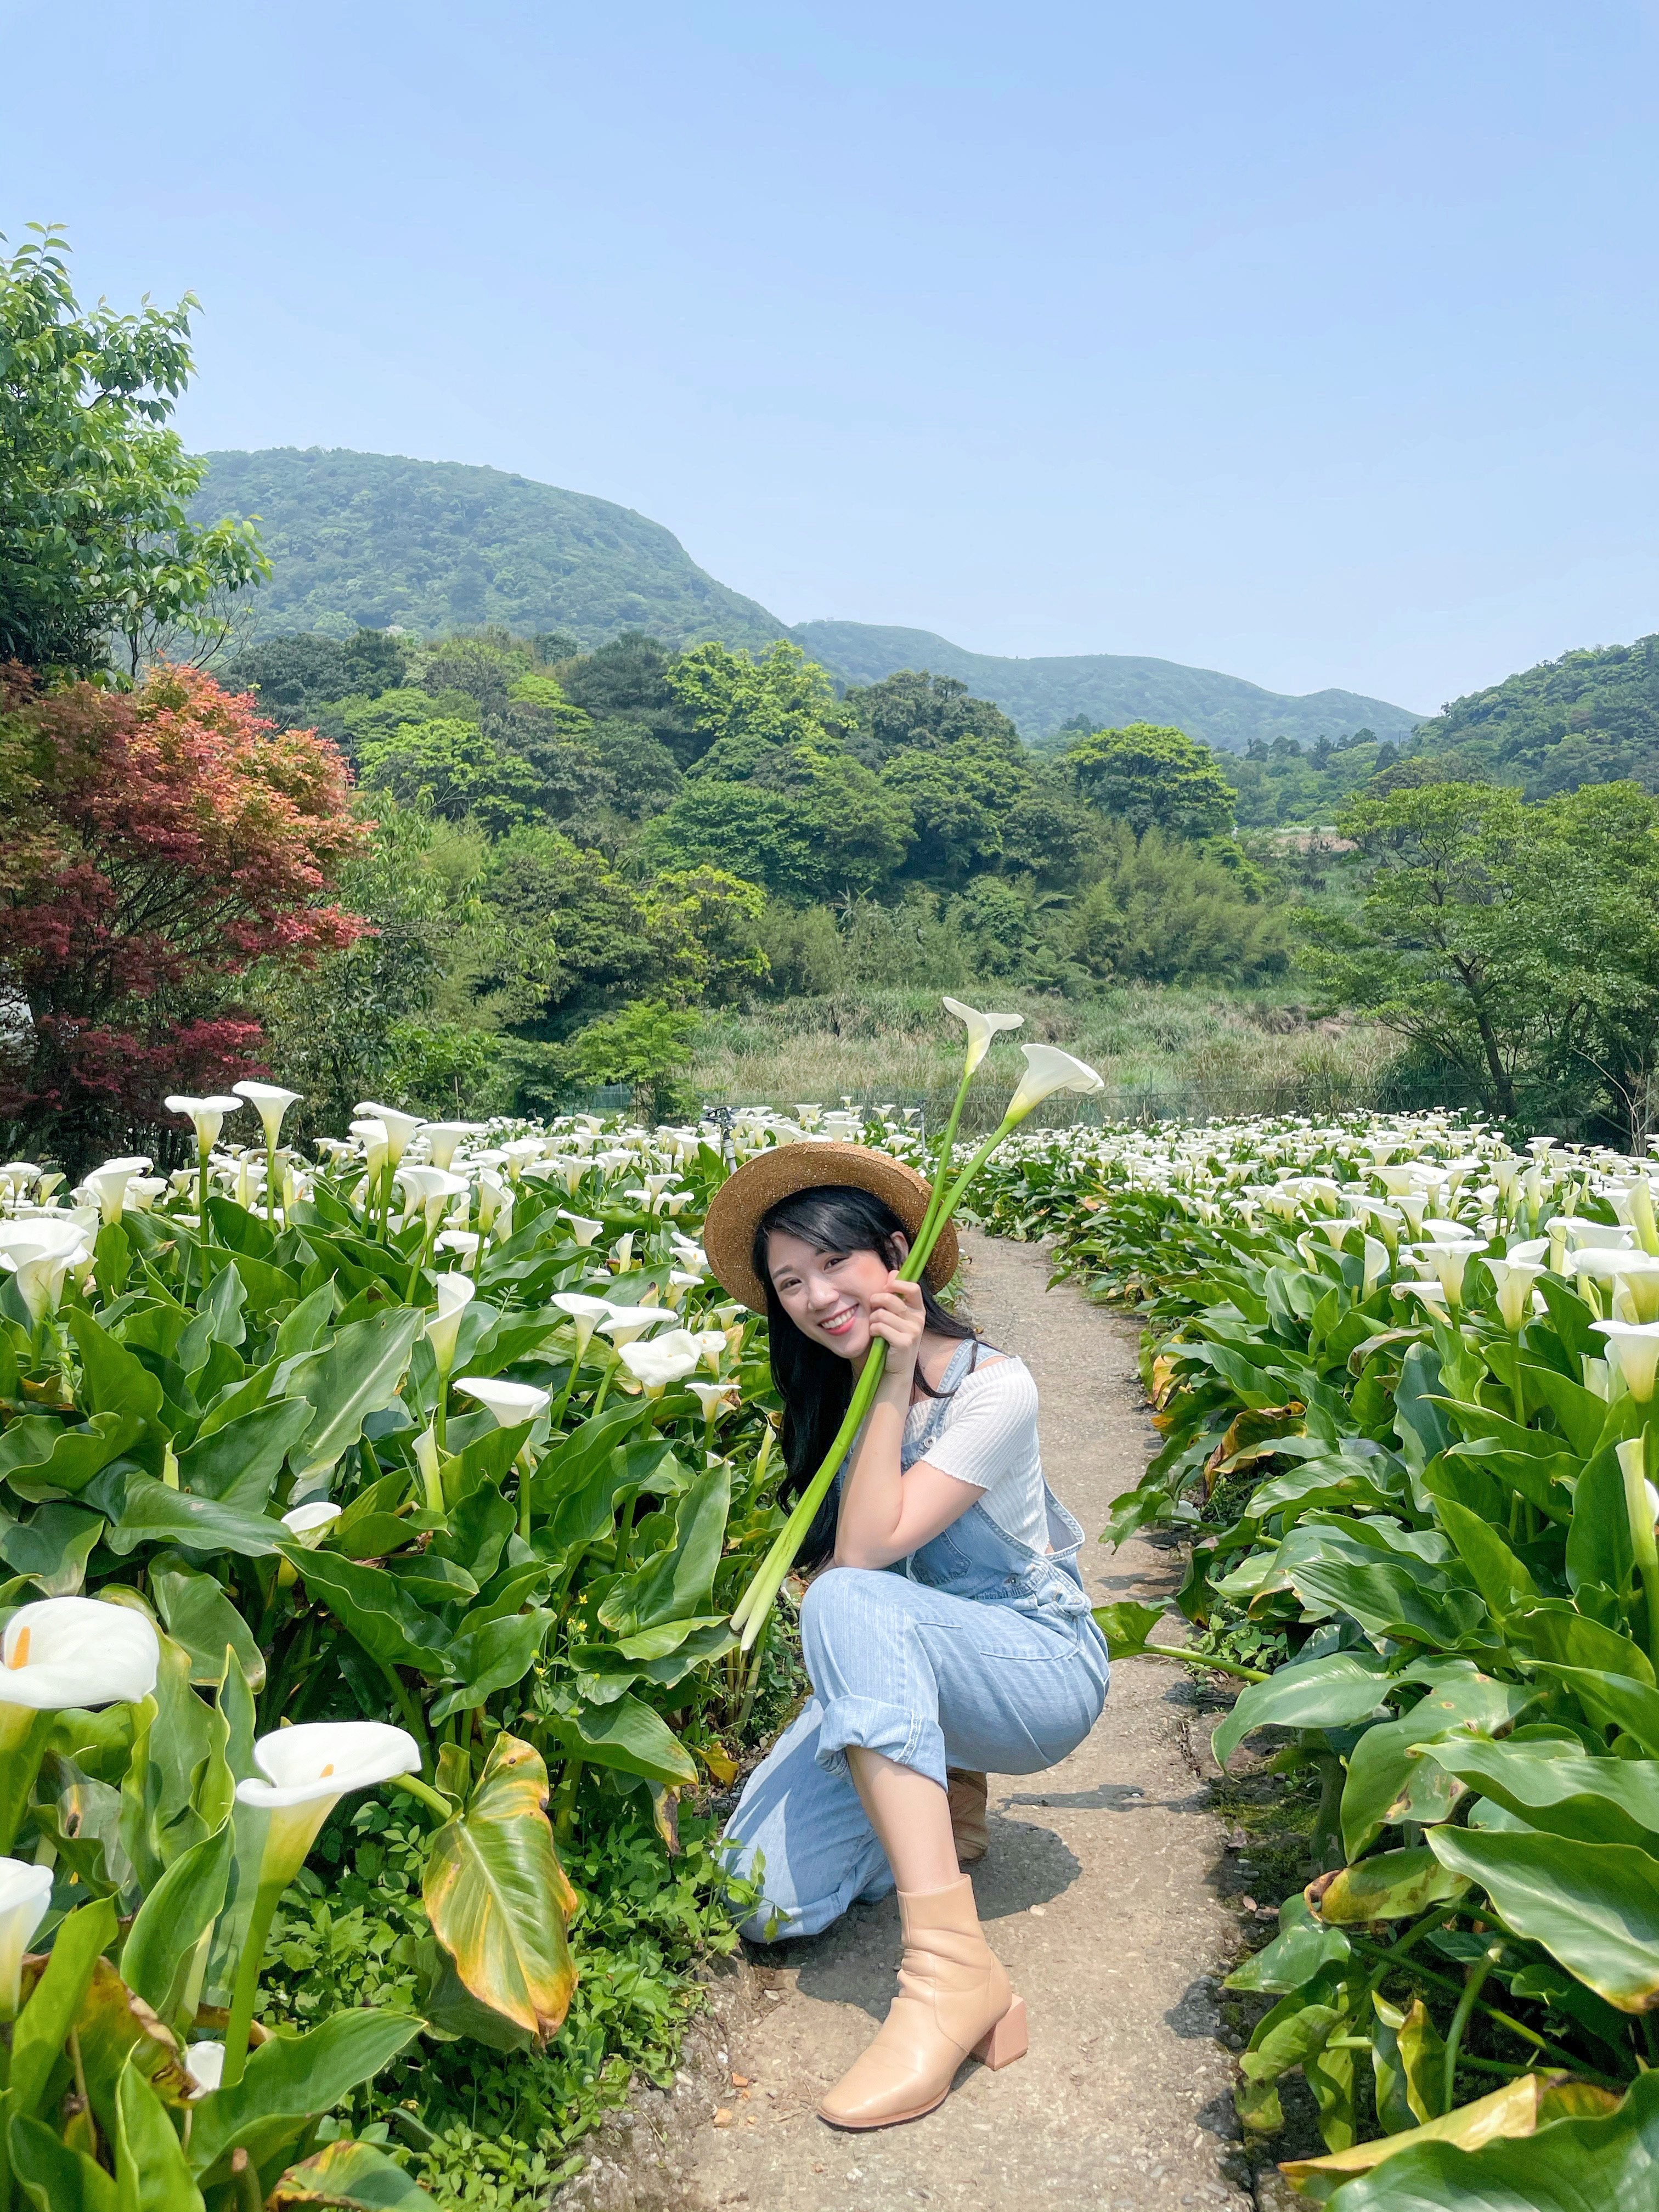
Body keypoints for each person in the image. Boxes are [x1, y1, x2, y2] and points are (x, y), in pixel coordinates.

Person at [704, 1142, 1110, 2131]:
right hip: (912, 1669)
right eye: (789, 1282)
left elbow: (870, 1555)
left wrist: (893, 1378)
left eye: (834, 1263)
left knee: (846, 1596)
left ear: (900, 1253)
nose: (815, 1297)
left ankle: (950, 1976)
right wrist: (871, 1386)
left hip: (1032, 1672)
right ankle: (941, 1794)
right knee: (757, 1898)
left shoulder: (994, 1387)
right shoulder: (832, 1395)